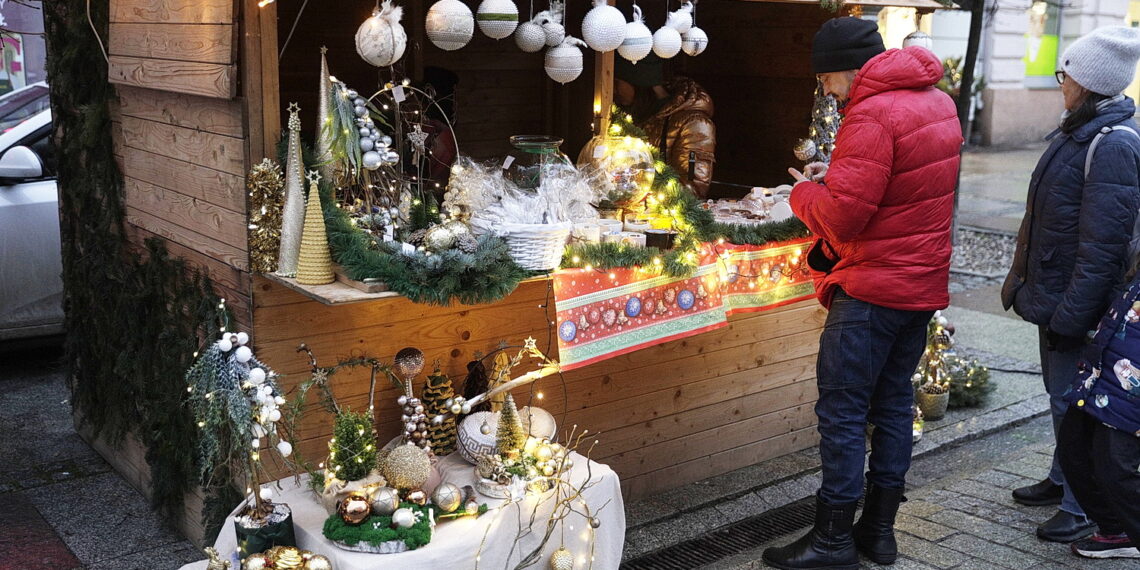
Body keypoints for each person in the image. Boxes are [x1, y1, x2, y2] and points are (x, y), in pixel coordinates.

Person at [762, 17, 962, 570]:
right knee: (894, 405)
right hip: (920, 285)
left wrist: (802, 193)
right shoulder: (935, 101)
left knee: (844, 414)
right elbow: (903, 186)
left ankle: (830, 542)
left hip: (873, 287)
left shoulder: (872, 112)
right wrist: (840, 172)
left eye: (825, 79)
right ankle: (878, 532)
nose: (824, 90)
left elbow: (844, 219)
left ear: (846, 69)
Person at [1001, 25, 1140, 545]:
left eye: (1067, 74)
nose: (1061, 82)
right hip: (1055, 296)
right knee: (1061, 396)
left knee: (1073, 402)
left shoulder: (1112, 144)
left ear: (1088, 82)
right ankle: (1063, 481)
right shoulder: (1078, 131)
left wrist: (1071, 318)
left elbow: (1102, 250)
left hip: (1078, 305)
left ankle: (1082, 507)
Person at [1059, 273, 1140, 560]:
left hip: (1131, 391)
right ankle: (1117, 531)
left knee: (1116, 468)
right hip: (1102, 375)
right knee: (1073, 449)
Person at [613, 53, 715, 198]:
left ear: (639, 82)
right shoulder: (630, 116)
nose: (613, 90)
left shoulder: (693, 124)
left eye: (617, 83)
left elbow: (692, 193)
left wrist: (636, 185)